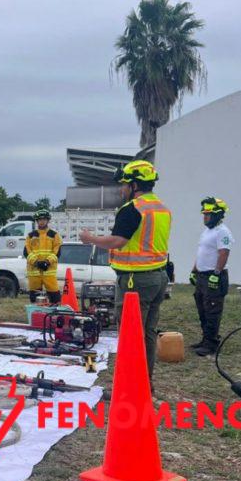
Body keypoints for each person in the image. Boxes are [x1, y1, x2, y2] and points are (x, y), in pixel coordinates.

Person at [80, 160, 171, 384]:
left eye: (125, 184)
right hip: (158, 277)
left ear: (134, 185)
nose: (122, 189)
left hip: (135, 280)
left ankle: (130, 385)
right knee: (148, 334)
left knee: (130, 335)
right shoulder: (161, 208)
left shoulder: (133, 209)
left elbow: (118, 241)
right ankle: (144, 383)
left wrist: (90, 239)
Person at [190, 197, 234, 357]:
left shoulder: (223, 231)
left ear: (217, 215)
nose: (205, 217)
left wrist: (216, 273)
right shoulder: (207, 232)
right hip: (202, 276)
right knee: (202, 308)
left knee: (212, 310)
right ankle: (205, 339)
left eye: (208, 214)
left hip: (214, 276)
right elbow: (202, 253)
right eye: (204, 214)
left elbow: (224, 253)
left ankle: (211, 343)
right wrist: (194, 270)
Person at [24, 209, 63, 304]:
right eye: (40, 219)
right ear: (37, 221)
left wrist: (47, 262)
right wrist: (36, 263)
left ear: (48, 220)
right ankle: (35, 314)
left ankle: (54, 314)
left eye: (44, 219)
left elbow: (57, 252)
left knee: (54, 295)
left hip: (48, 270)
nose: (42, 221)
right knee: (35, 297)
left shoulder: (54, 235)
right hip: (34, 271)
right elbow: (27, 252)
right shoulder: (30, 235)